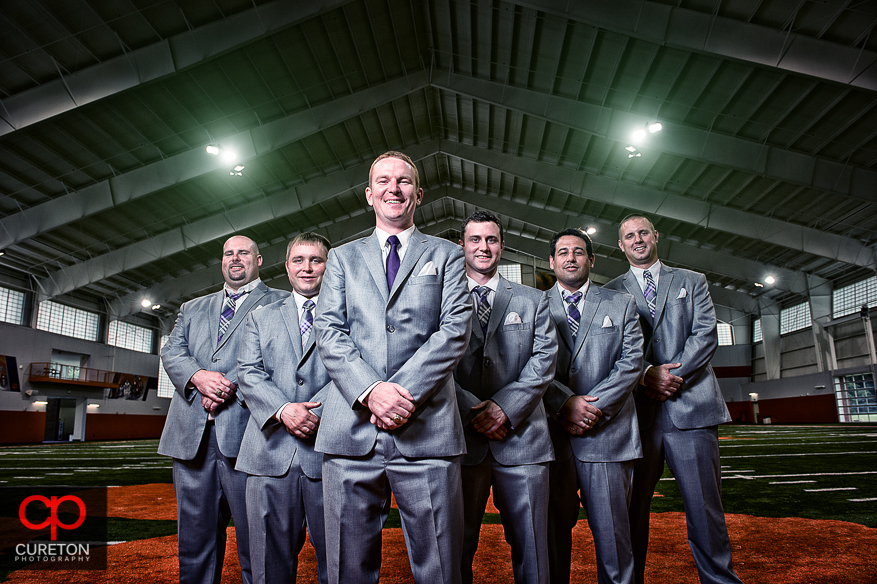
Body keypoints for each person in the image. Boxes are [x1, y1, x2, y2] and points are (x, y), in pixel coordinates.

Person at [313, 151, 473, 584]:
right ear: (369, 195)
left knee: (440, 567)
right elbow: (328, 332)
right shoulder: (342, 258)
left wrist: (398, 394)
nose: (393, 188)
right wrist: (370, 391)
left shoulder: (447, 255)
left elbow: (456, 330)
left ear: (418, 195)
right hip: (351, 431)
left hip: (428, 430)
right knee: (348, 569)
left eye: (403, 181)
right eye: (383, 181)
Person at [606, 215, 743, 584]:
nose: (637, 240)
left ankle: (719, 580)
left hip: (693, 409)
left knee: (704, 509)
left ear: (656, 237)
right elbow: (612, 351)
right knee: (632, 510)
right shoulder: (610, 292)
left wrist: (671, 375)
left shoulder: (691, 281)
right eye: (629, 236)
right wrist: (647, 374)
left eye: (643, 233)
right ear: (621, 245)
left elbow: (705, 335)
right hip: (638, 416)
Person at [158, 235, 285, 584]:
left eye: (244, 252)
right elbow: (172, 352)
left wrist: (226, 387)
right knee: (194, 542)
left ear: (259, 260)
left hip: (250, 439)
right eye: (229, 253)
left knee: (255, 542)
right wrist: (198, 377)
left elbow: (278, 362)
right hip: (191, 440)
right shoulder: (192, 307)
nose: (235, 258)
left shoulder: (280, 303)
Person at [454, 211, 557, 584]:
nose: (484, 247)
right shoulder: (441, 300)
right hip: (462, 441)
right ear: (462, 245)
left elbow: (544, 361)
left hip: (523, 439)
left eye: (492, 240)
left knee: (532, 546)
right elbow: (430, 363)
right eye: (475, 240)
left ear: (502, 245)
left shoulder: (533, 300)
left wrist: (505, 408)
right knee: (457, 546)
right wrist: (471, 408)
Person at [543, 228, 643, 584]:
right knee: (552, 536)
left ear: (591, 260)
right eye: (564, 252)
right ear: (552, 261)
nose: (571, 258)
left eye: (579, 252)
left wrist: (592, 407)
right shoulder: (534, 305)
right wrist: (564, 403)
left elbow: (632, 362)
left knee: (616, 539)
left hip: (609, 434)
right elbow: (529, 366)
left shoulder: (621, 303)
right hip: (552, 440)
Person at [235, 232, 333, 584]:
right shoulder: (261, 317)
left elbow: (357, 370)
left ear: (328, 265)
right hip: (267, 454)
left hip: (330, 454)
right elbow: (248, 372)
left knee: (341, 565)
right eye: (298, 260)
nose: (306, 268)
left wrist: (317, 414)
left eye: (316, 260)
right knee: (266, 566)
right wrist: (283, 409)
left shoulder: (349, 313)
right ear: (287, 266)